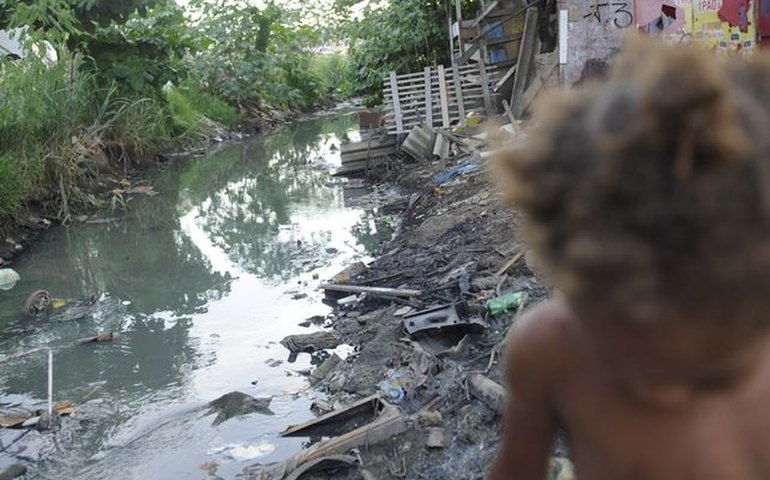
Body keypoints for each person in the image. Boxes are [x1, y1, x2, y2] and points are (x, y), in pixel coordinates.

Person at [489, 39, 770, 480]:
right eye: (628, 362)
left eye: (713, 375)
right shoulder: (549, 352)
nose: (667, 394)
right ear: (572, 289)